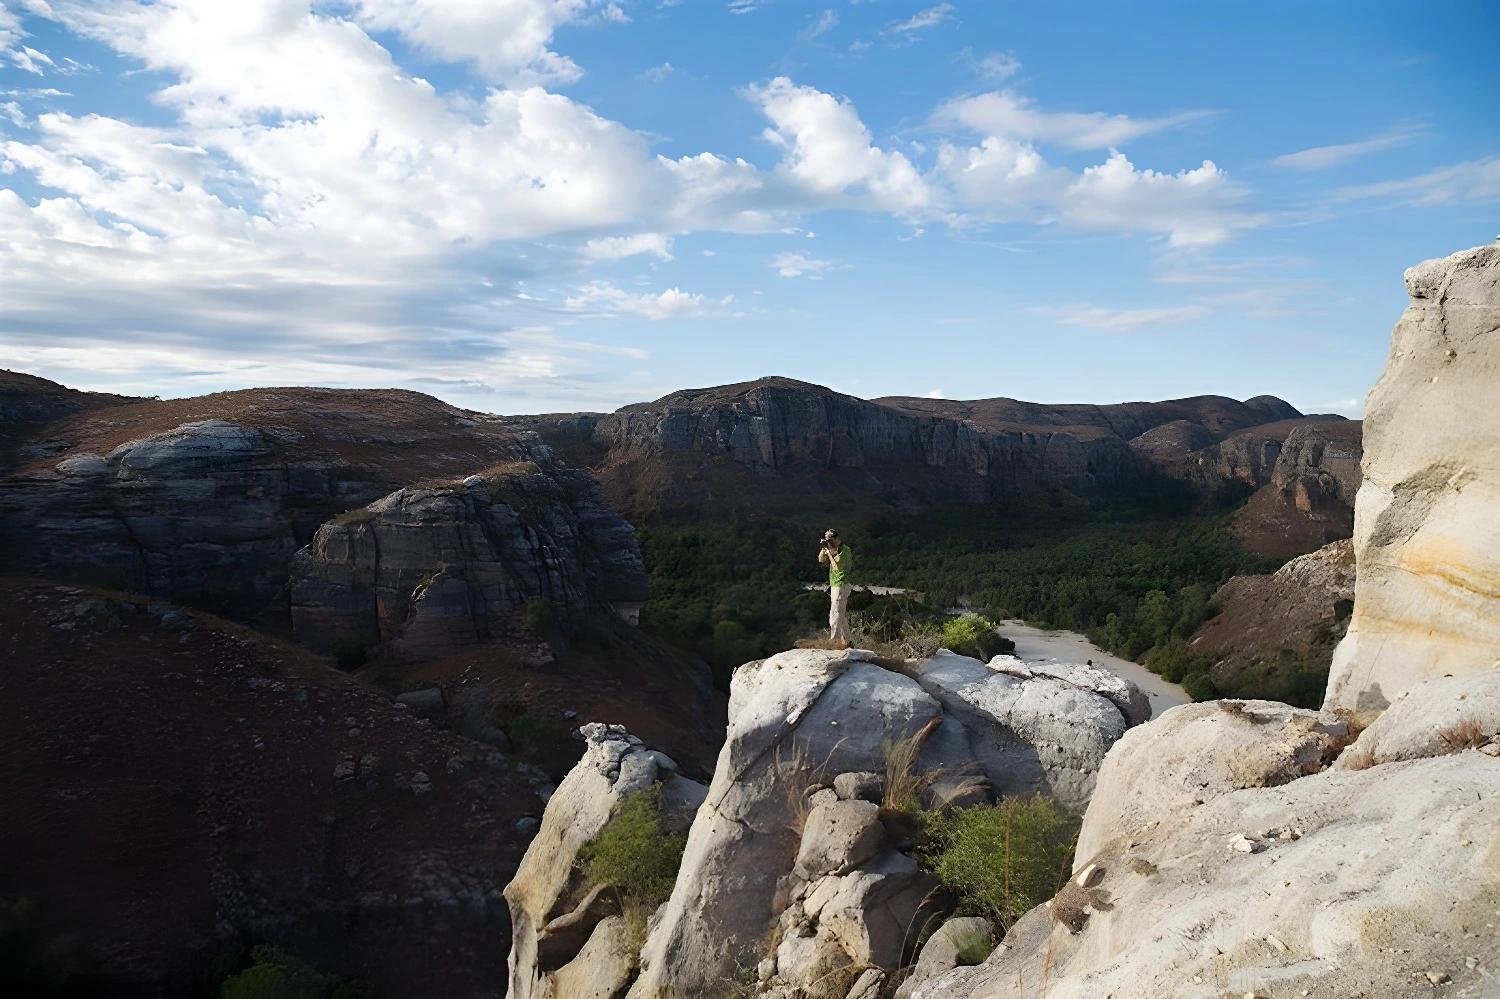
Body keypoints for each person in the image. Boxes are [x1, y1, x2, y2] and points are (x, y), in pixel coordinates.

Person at [818, 529, 854, 647]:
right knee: (840, 614)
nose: (830, 542)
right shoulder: (833, 550)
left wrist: (829, 552)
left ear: (838, 539)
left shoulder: (845, 551)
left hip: (841, 584)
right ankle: (847, 641)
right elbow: (821, 560)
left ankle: (834, 641)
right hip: (835, 584)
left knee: (835, 613)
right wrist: (824, 550)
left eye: (831, 540)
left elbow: (836, 567)